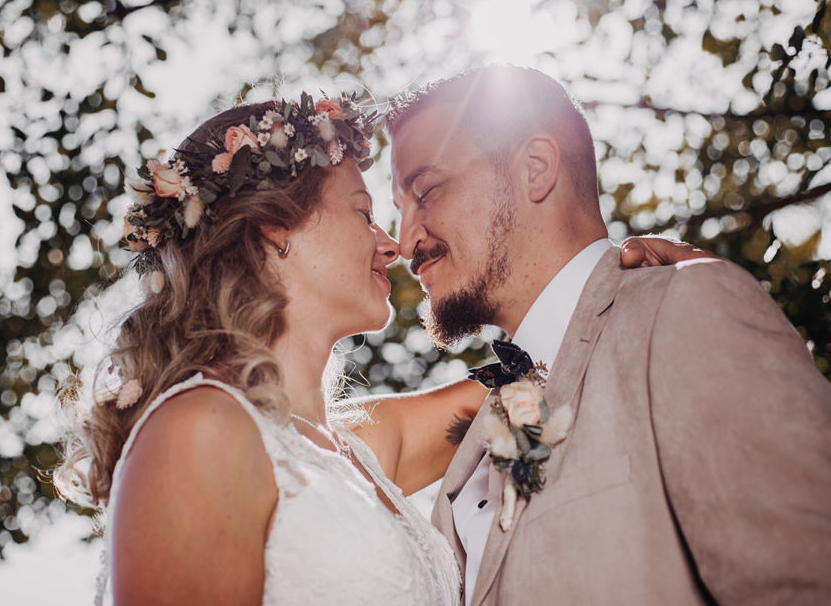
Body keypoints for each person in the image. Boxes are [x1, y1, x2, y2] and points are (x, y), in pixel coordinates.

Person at [55, 91, 708, 604]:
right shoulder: (200, 431)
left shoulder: (353, 447)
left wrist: (624, 279)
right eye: (364, 213)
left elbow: (535, 382)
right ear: (276, 227)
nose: (393, 244)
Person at [386, 66, 831, 605]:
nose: (404, 243)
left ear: (535, 169)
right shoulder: (479, 435)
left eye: (425, 190)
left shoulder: (682, 310)